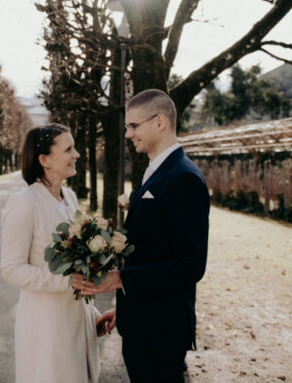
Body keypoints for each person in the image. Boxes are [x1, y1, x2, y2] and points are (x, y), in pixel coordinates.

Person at [74, 89, 210, 382]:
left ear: (159, 121)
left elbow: (191, 265)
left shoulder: (183, 178)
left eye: (133, 126)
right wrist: (125, 309)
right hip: (144, 322)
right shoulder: (155, 171)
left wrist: (120, 280)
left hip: (162, 332)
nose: (127, 134)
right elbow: (153, 250)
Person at [1, 123, 101, 383]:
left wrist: (92, 314)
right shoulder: (23, 203)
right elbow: (12, 269)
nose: (77, 154)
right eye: (68, 149)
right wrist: (65, 280)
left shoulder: (70, 198)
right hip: (45, 327)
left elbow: (78, 262)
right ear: (44, 159)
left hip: (77, 321)